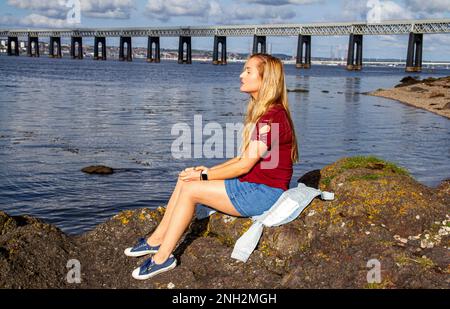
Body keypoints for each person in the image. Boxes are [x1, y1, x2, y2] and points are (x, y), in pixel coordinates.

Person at [124, 53, 299, 280]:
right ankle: (156, 240)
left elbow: (244, 165)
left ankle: (163, 258)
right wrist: (204, 171)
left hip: (264, 193)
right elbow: (241, 160)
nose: (241, 75)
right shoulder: (267, 113)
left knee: (191, 189)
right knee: (186, 178)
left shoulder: (272, 118)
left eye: (248, 71)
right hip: (251, 185)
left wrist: (205, 177)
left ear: (265, 80)